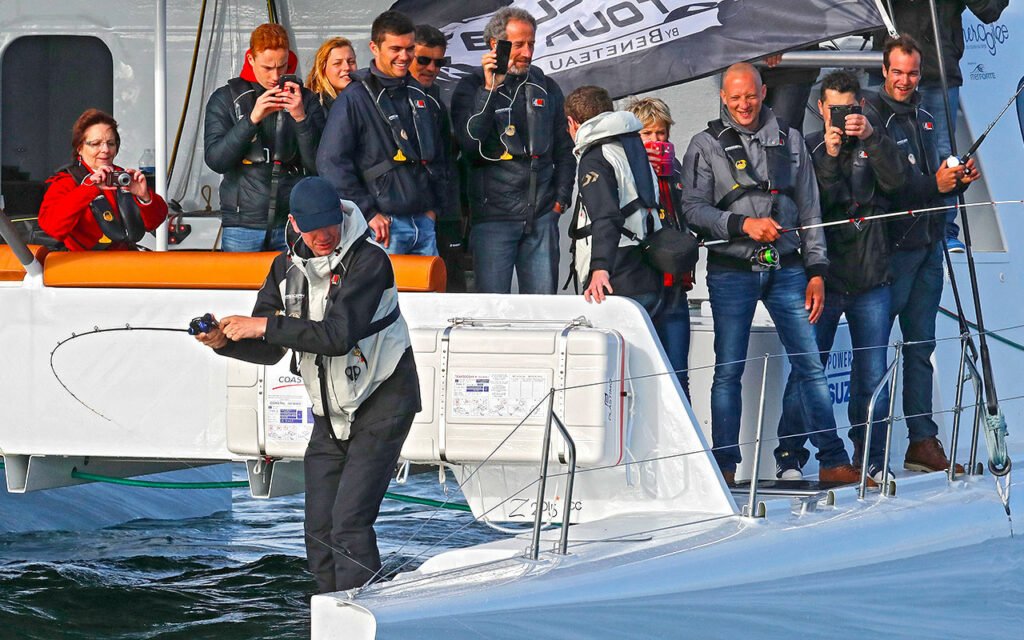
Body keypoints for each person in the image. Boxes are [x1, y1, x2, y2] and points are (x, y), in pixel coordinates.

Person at [194, 176, 420, 594]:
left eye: (331, 223)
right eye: (313, 227)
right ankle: (328, 612)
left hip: (385, 401)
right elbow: (270, 351)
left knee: (349, 524)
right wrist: (225, 343)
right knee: (318, 531)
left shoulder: (370, 261)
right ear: (295, 224)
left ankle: (362, 612)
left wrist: (264, 325)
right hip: (329, 414)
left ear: (341, 214)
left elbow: (337, 336)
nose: (324, 235)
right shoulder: (283, 269)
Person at [681, 62, 859, 486]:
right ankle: (725, 468)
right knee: (728, 371)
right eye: (735, 97)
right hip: (731, 271)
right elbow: (692, 209)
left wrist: (817, 271)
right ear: (723, 98)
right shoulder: (704, 145)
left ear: (764, 93)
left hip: (789, 269)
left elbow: (811, 211)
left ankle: (833, 461)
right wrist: (743, 225)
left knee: (811, 365)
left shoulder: (791, 139)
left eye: (751, 95)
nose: (744, 104)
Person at [776, 71, 907, 484]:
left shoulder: (876, 138)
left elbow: (898, 185)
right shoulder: (809, 146)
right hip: (824, 279)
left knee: (873, 374)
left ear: (861, 105)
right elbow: (815, 206)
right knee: (808, 369)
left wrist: (871, 138)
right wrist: (831, 157)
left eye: (848, 108)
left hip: (872, 278)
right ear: (820, 108)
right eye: (834, 109)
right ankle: (789, 455)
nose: (841, 116)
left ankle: (872, 457)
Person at [863, 34, 980, 473]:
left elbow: (933, 180)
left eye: (912, 73)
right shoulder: (869, 116)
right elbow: (887, 185)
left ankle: (922, 441)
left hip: (928, 248)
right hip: (888, 253)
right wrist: (936, 184)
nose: (905, 80)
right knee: (873, 352)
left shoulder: (926, 115)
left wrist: (956, 179)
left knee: (921, 347)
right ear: (884, 70)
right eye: (897, 72)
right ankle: (867, 450)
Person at [450, 7, 575, 294]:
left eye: (531, 44)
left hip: (542, 216)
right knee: (491, 308)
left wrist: (560, 200)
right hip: (493, 218)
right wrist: (490, 88)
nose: (527, 53)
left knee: (543, 308)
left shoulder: (546, 86)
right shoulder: (471, 86)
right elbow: (469, 145)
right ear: (496, 45)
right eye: (518, 45)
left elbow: (565, 149)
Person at [874, 0, 1007, 253]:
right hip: (889, 65)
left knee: (943, 153)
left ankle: (944, 230)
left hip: (938, 67)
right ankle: (883, 228)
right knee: (883, 150)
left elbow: (990, 9)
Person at [317, 11, 446, 257]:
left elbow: (440, 156)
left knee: (431, 285)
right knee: (384, 285)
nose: (404, 56)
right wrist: (367, 213)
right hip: (383, 227)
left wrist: (433, 209)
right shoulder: (354, 98)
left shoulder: (420, 93)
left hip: (424, 223)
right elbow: (330, 163)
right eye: (395, 49)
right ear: (374, 48)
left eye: (409, 49)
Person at [204, 23, 326, 252]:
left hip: (292, 220)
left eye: (282, 66)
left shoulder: (306, 99)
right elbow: (216, 160)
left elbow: (319, 166)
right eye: (267, 67)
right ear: (250, 59)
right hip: (242, 222)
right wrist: (252, 120)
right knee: (241, 277)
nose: (275, 76)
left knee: (293, 277)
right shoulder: (225, 98)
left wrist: (300, 118)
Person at [565, 86, 663, 320]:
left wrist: (600, 268)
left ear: (573, 123)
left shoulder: (595, 157)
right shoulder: (631, 148)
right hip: (647, 268)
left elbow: (606, 216)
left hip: (615, 275)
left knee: (610, 343)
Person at [624, 97, 693, 399]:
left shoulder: (675, 168)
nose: (655, 140)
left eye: (660, 133)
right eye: (647, 133)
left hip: (674, 284)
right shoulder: (622, 168)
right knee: (636, 378)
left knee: (678, 375)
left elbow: (688, 214)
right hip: (639, 284)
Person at [39, 108, 168, 251]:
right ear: (79, 148)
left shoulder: (124, 178)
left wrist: (145, 197)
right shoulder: (66, 182)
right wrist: (89, 188)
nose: (105, 150)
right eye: (96, 144)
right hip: (85, 262)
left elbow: (154, 223)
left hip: (126, 260)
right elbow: (52, 227)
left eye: (110, 143)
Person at [409, 24, 466, 290]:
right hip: (407, 214)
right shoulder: (386, 99)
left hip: (444, 213)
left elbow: (446, 161)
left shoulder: (436, 102)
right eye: (423, 60)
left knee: (450, 288)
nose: (431, 68)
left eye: (438, 62)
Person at [306, 37, 358, 112]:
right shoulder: (314, 107)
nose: (347, 67)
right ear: (322, 69)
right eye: (337, 63)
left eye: (351, 62)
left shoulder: (366, 99)